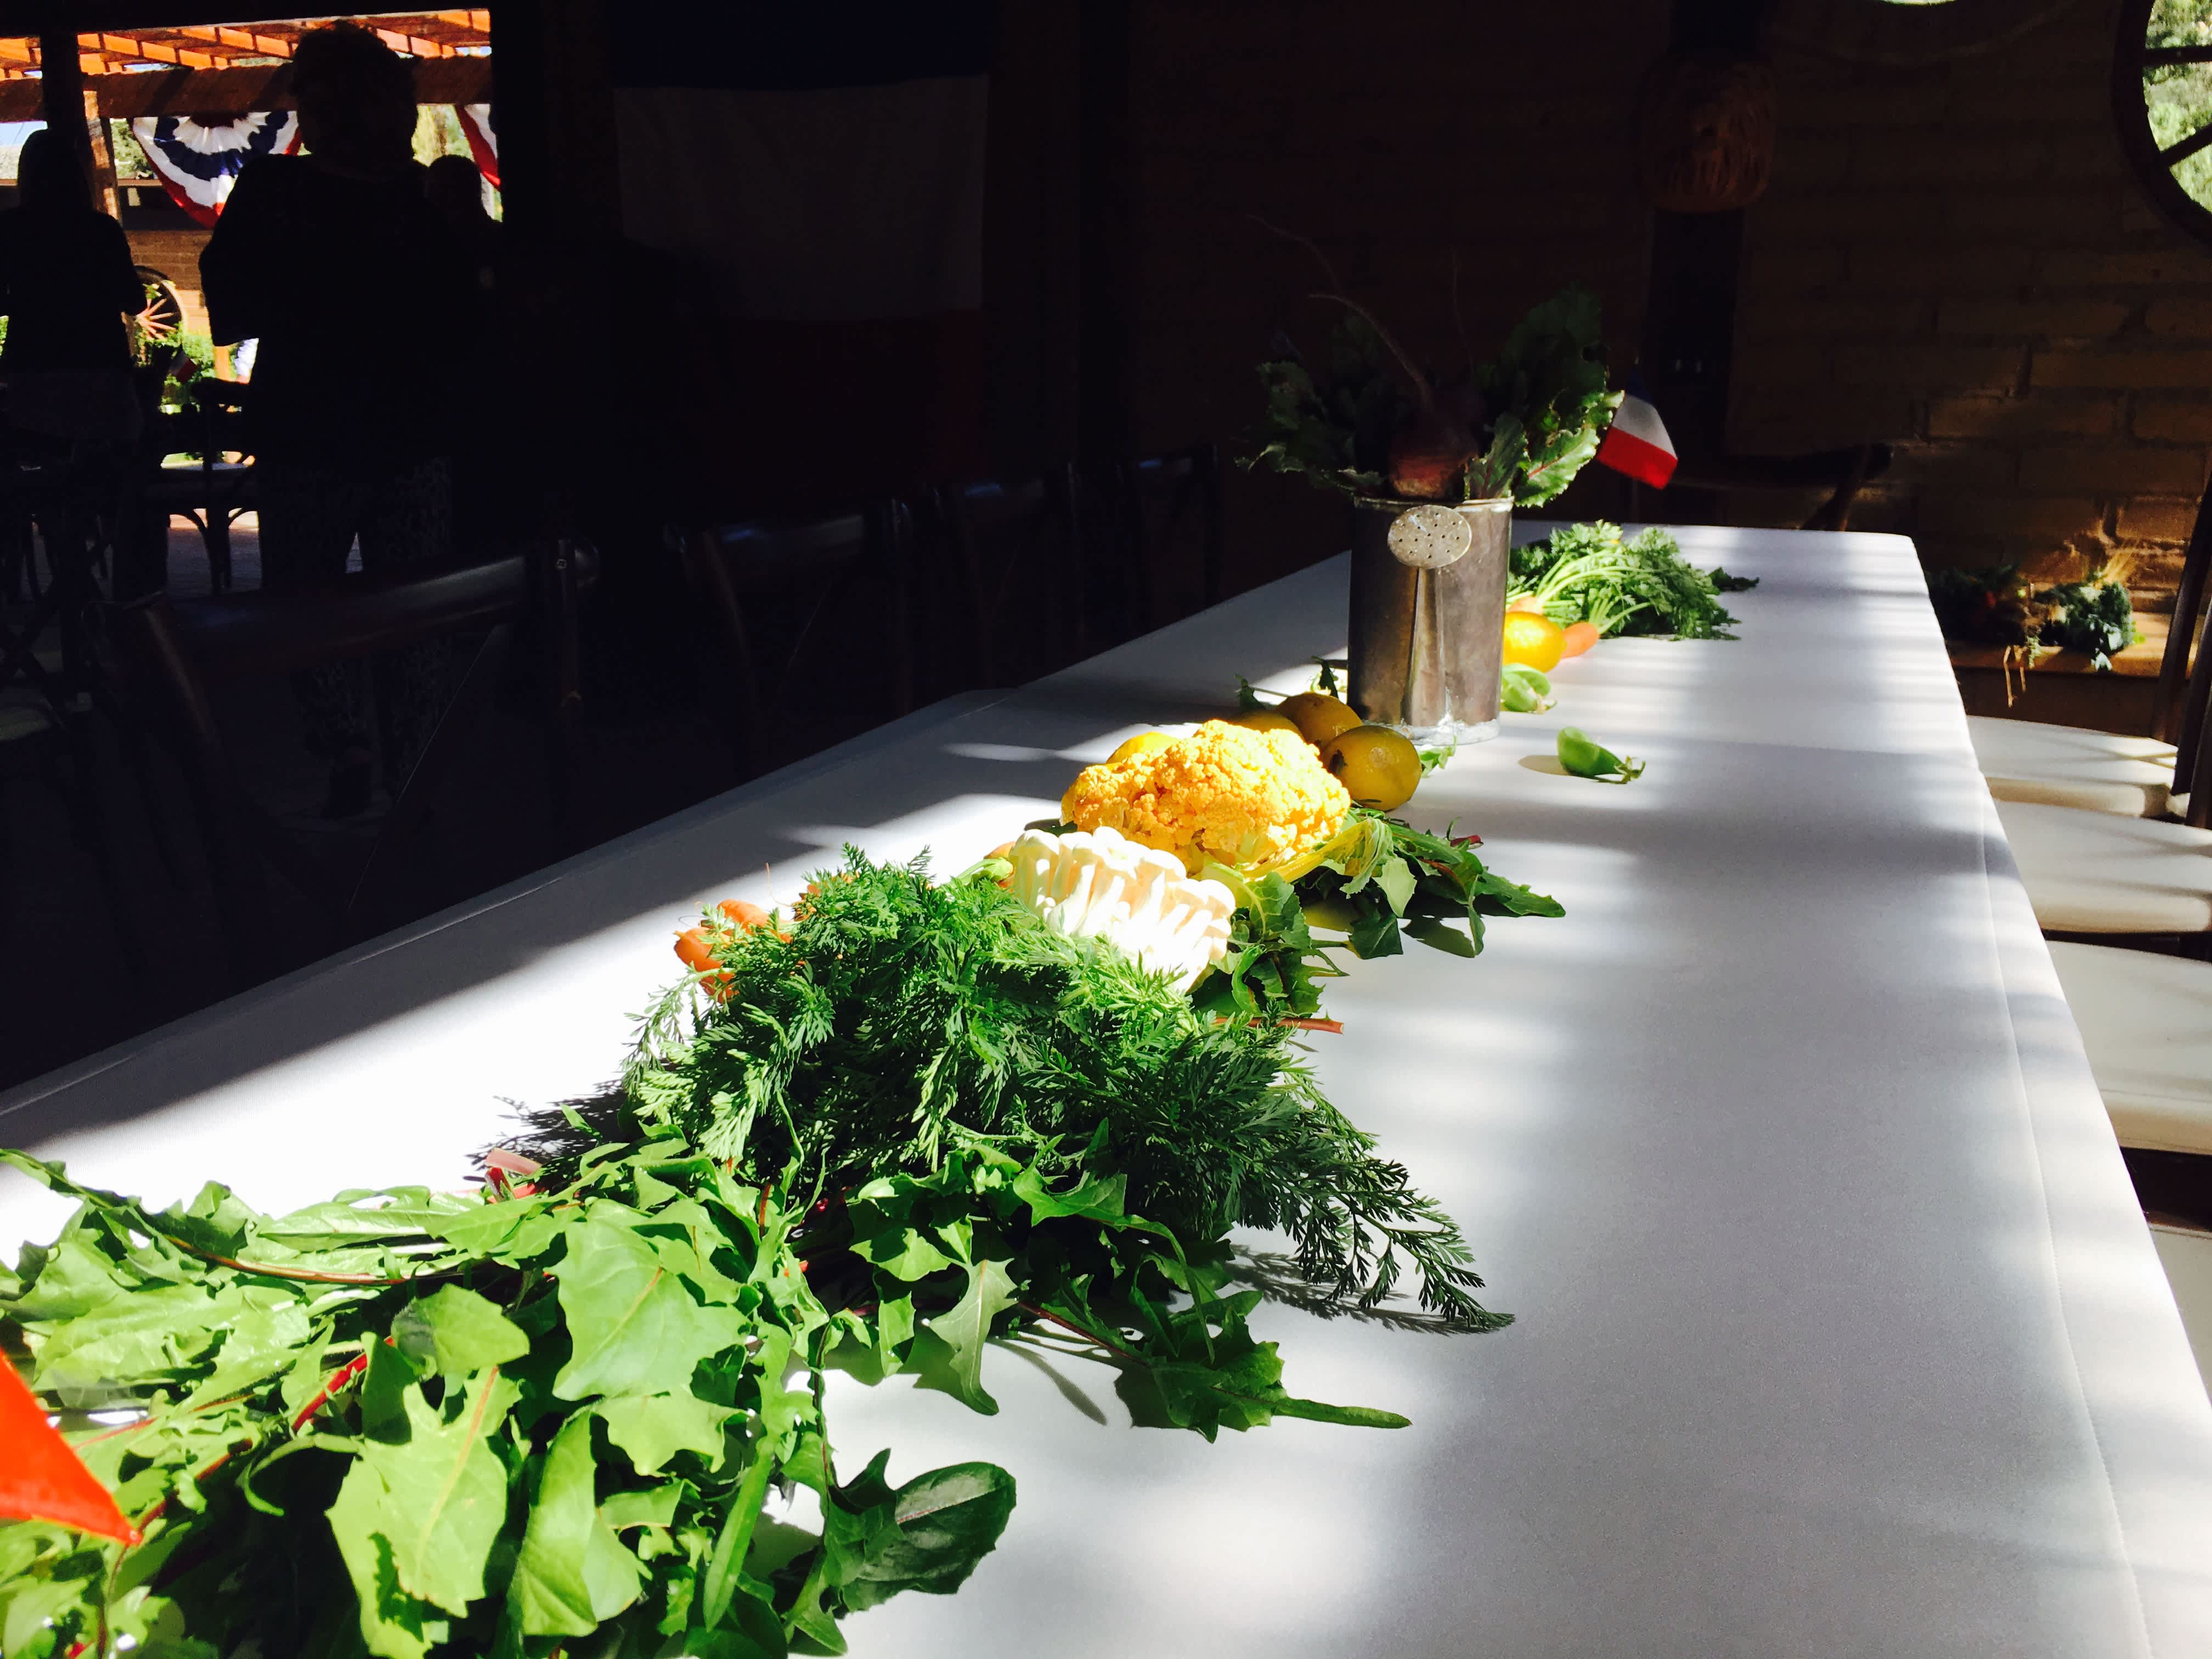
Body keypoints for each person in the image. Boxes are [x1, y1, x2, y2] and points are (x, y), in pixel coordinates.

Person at [200, 22, 475, 816]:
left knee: (304, 599)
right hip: (412, 430)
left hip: (306, 429)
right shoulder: (422, 203)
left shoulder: (274, 192)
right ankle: (414, 766)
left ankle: (345, 742)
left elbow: (232, 299)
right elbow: (461, 322)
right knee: (416, 610)